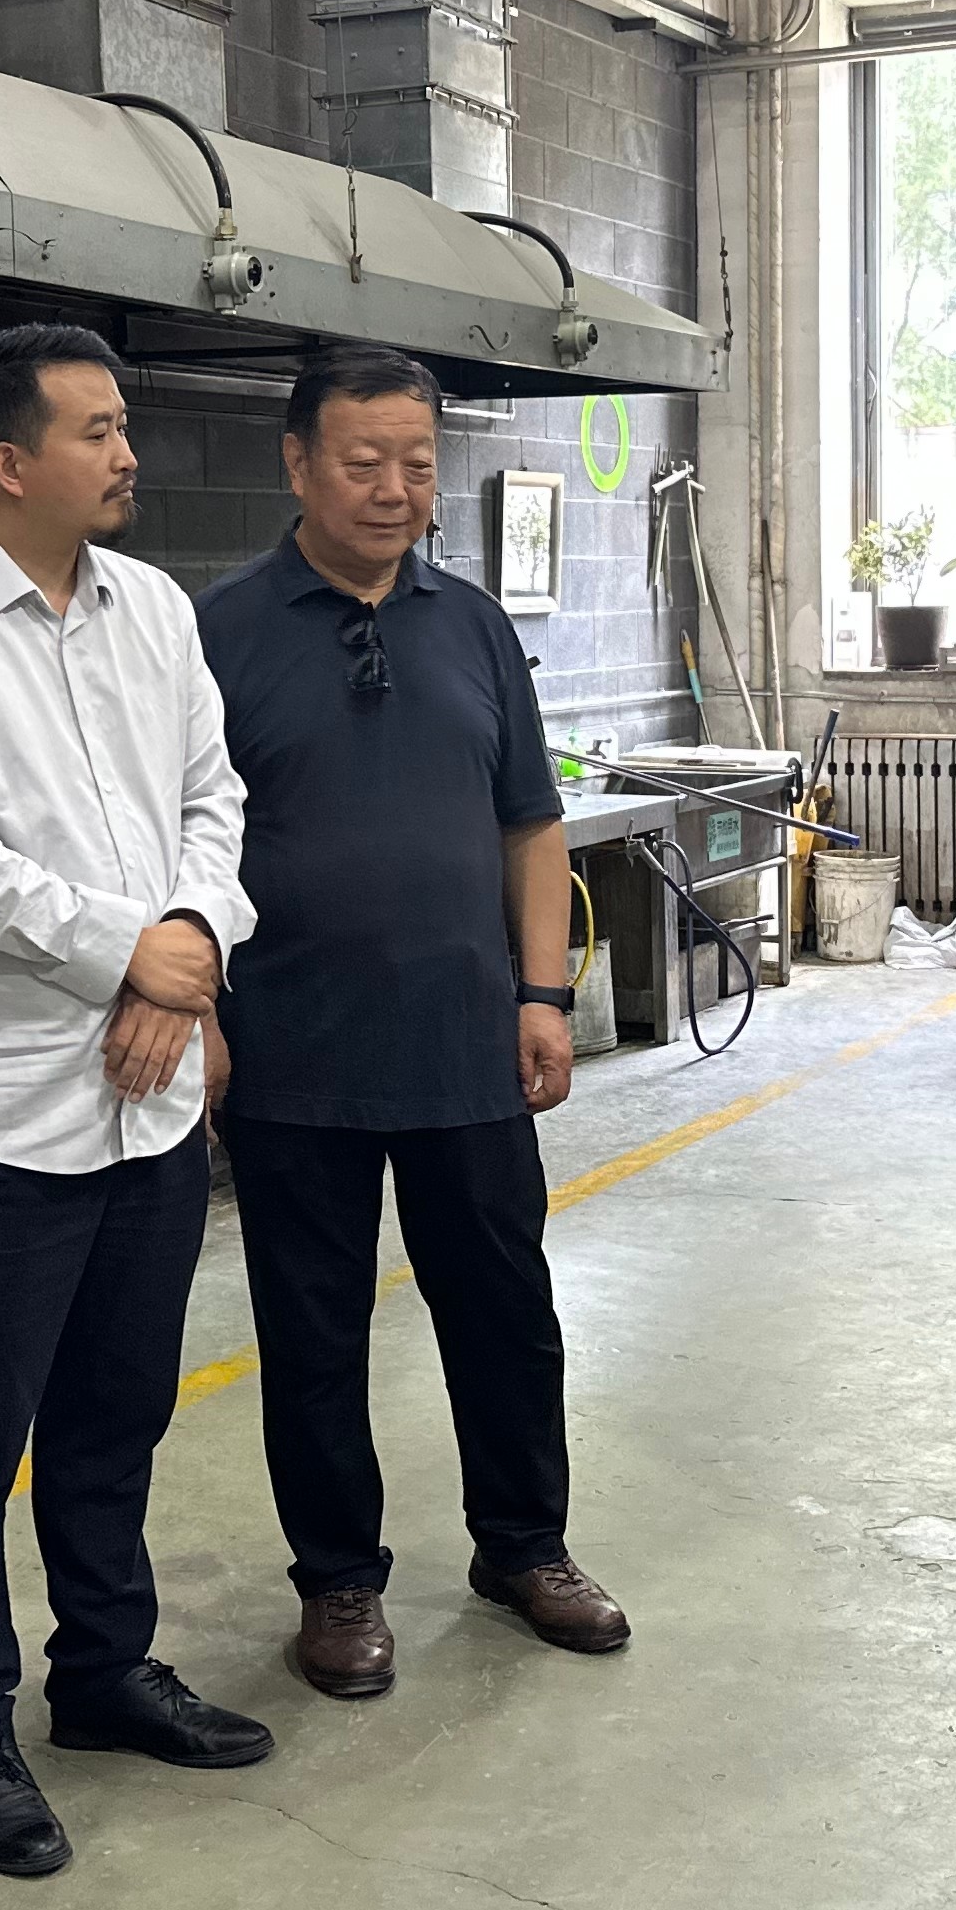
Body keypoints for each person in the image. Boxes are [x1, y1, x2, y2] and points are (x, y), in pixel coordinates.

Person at [0, 323, 272, 1878]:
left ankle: (103, 1671)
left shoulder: (155, 612)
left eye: (122, 425)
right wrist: (129, 952)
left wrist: (190, 944)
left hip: (149, 1108)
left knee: (114, 1417)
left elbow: (214, 801)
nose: (127, 452)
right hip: (1, 1120)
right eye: (97, 430)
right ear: (12, 463)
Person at [194, 346, 627, 1703]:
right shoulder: (219, 631)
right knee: (312, 1330)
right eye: (364, 463)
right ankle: (338, 1579)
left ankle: (526, 1546)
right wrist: (201, 1011)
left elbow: (531, 821)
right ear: (297, 464)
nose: (395, 490)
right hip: (293, 1049)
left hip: (466, 1043)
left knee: (505, 1311)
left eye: (419, 464)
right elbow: (176, 838)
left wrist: (543, 996)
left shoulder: (475, 625)